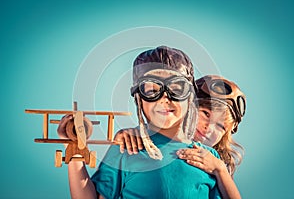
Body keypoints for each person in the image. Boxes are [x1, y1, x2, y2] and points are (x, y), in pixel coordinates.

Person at [58, 46, 221, 198]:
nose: (165, 98)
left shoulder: (208, 158)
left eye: (176, 89)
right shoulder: (127, 148)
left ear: (190, 95)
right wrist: (75, 151)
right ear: (139, 98)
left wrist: (220, 170)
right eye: (151, 91)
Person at [114, 75, 246, 199]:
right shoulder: (150, 141)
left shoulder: (215, 164)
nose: (209, 128)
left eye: (220, 126)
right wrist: (127, 135)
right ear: (188, 107)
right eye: (206, 114)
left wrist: (220, 170)